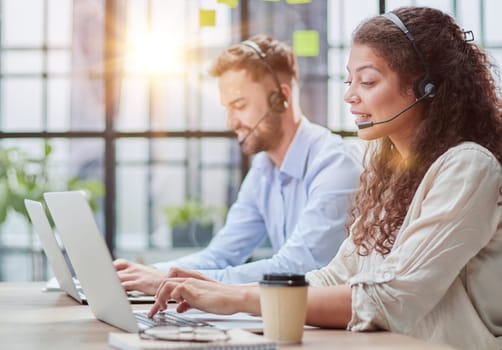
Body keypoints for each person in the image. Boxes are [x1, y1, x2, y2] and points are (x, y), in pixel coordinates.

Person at [148, 7, 502, 350]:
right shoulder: (392, 173)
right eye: (350, 80)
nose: (350, 95)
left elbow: (390, 298)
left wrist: (240, 298)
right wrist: (220, 292)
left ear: (425, 87)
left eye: (367, 81)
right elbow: (334, 276)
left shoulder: (467, 167)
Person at [114, 34, 362, 293]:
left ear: (280, 98)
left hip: (339, 326)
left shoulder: (335, 165)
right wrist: (147, 275)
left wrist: (175, 283)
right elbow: (220, 255)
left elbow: (297, 268)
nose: (230, 123)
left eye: (239, 105)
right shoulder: (263, 169)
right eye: (226, 109)